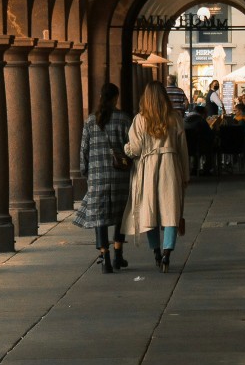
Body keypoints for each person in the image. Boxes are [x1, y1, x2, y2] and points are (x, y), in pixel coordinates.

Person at [122, 81, 190, 273]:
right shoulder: (175, 118)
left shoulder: (140, 120)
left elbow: (134, 149)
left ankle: (156, 253)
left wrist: (126, 149)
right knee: (171, 211)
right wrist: (185, 173)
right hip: (171, 166)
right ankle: (168, 254)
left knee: (148, 210)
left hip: (148, 168)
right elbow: (183, 148)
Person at [73, 83, 132, 273]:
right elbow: (131, 147)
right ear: (115, 98)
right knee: (120, 215)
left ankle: (104, 256)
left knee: (100, 216)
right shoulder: (124, 119)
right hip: (119, 176)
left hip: (97, 176)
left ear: (100, 97)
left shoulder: (91, 121)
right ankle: (118, 255)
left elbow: (84, 150)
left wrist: (86, 172)